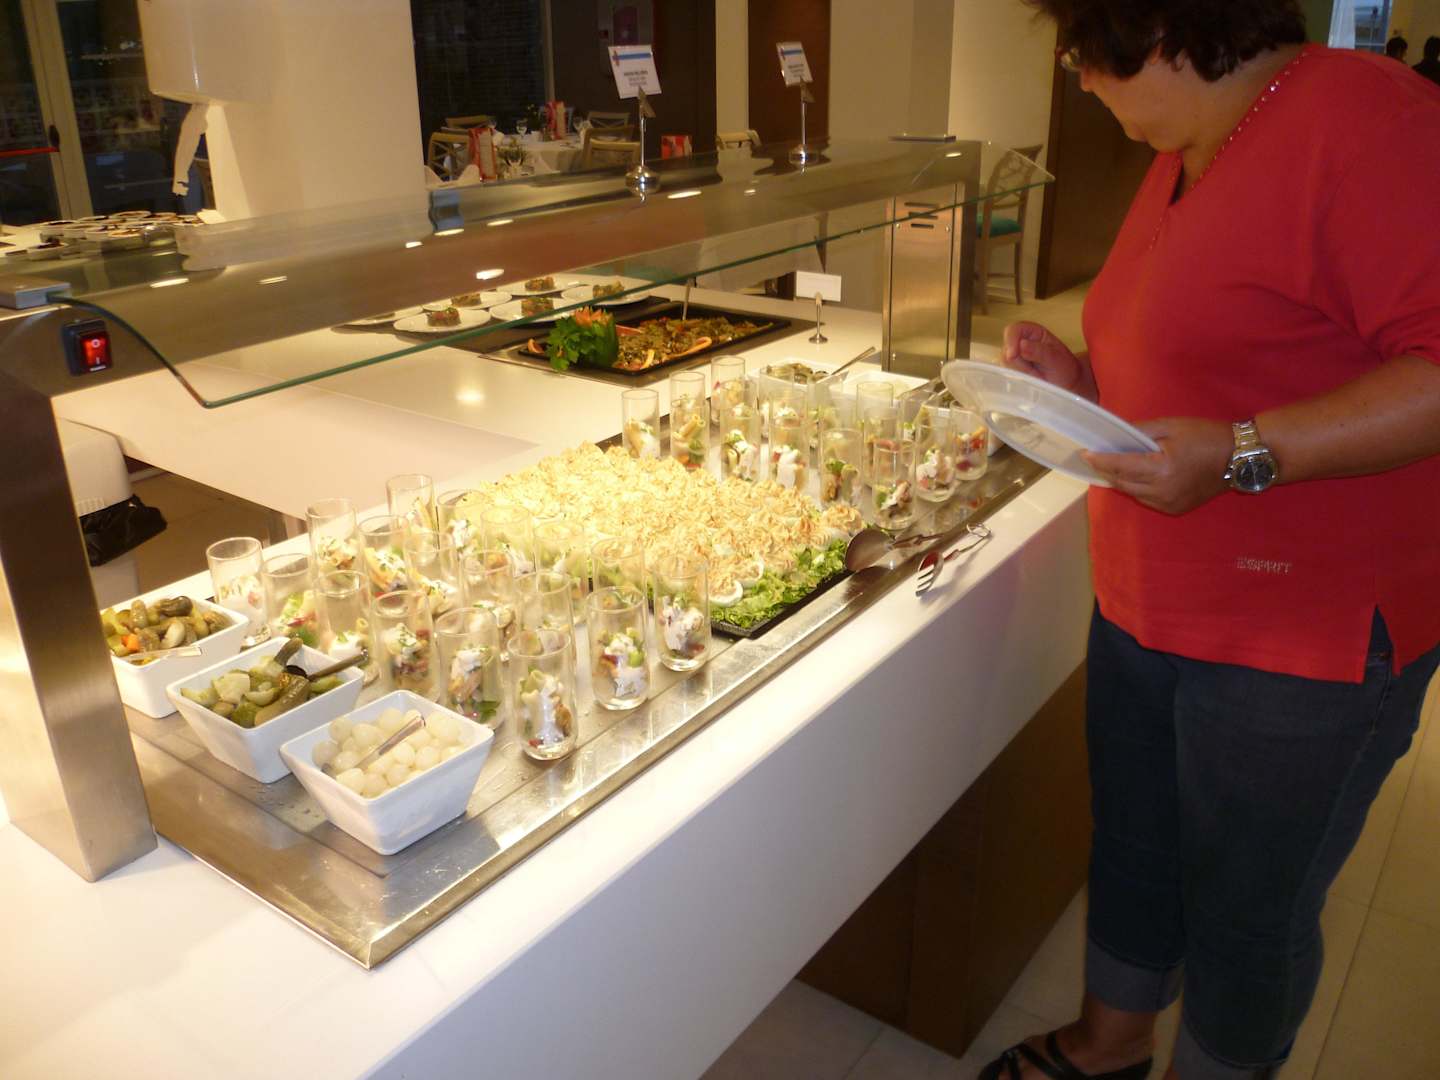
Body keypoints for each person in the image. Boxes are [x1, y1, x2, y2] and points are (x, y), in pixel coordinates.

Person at [982, 2, 1440, 1079]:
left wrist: (1245, 453)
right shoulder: (1192, 146)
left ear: (1159, 33)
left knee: (1247, 911)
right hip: (1150, 594)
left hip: (1303, 630)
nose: (1082, 84)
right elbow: (1208, 354)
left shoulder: (1369, 123)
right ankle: (1108, 1046)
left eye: (1086, 59)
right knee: (1137, 848)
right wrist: (1079, 385)